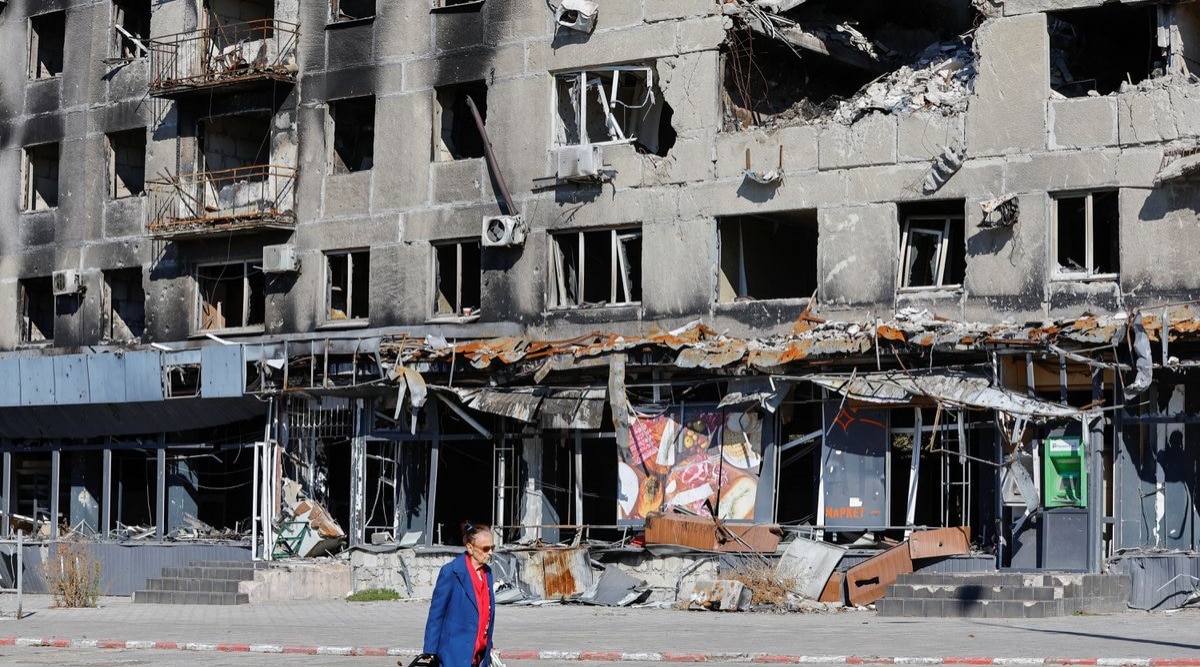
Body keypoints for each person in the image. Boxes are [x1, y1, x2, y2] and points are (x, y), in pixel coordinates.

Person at [420, 520, 496, 667]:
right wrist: (430, 647)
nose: (491, 553)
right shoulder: (451, 572)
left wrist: (488, 642)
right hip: (454, 652)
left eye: (492, 547)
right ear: (470, 547)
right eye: (486, 548)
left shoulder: (488, 573)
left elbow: (485, 612)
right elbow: (436, 612)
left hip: (479, 654)